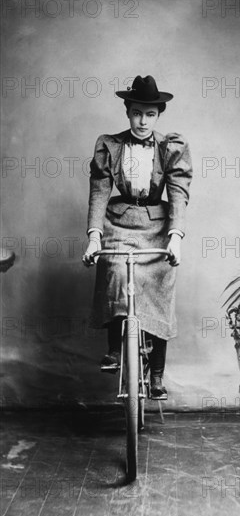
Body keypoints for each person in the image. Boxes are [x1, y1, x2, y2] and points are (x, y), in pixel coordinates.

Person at [82, 75, 192, 399]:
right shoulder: (110, 145)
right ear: (127, 112)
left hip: (157, 226)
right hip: (118, 223)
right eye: (136, 113)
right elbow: (99, 192)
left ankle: (156, 374)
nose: (142, 121)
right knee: (116, 270)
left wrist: (176, 237)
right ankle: (115, 350)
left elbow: (178, 193)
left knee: (161, 281)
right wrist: (93, 236)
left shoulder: (169, 146)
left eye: (150, 114)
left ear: (158, 115)